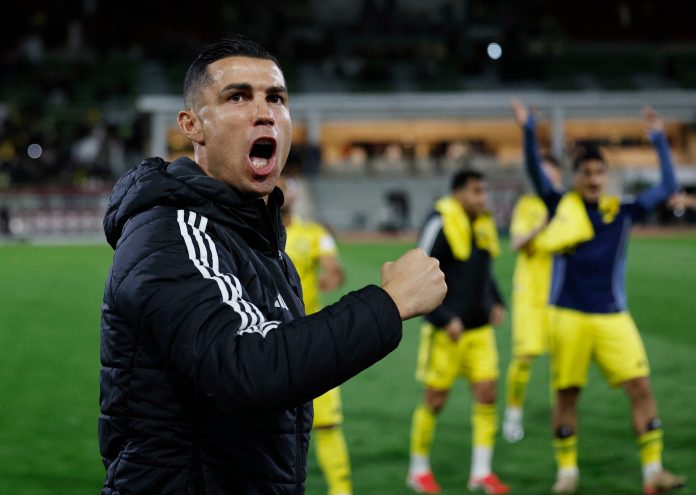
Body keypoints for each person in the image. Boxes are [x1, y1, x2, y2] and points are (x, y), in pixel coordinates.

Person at [99, 35, 447, 495]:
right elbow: (248, 368)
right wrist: (389, 303)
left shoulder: (258, 240)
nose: (264, 112)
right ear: (192, 125)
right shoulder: (171, 232)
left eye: (276, 98)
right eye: (237, 97)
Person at [516, 100, 686, 495]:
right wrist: (528, 131)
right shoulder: (560, 205)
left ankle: (653, 471)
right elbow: (534, 171)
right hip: (568, 315)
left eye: (599, 172)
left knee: (640, 386)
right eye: (586, 172)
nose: (593, 179)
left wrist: (659, 138)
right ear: (574, 176)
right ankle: (567, 472)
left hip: (613, 315)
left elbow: (666, 187)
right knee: (567, 394)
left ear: (606, 176)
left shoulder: (622, 211)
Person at [407, 170, 509, 495]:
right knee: (435, 400)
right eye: (477, 192)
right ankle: (417, 470)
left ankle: (481, 472)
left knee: (487, 394)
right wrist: (443, 317)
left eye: (484, 192)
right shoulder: (440, 222)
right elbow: (418, 272)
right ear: (458, 193)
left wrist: (496, 301)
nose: (483, 199)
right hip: (446, 333)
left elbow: (483, 270)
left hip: (480, 331)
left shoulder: (482, 223)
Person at [279, 177, 352, 495]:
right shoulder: (250, 233)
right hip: (268, 341)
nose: (284, 191)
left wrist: (332, 275)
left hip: (310, 339)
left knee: (328, 423)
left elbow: (334, 267)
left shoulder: (314, 234)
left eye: (289, 187)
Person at [502, 136, 564, 443]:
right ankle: (513, 413)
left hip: (560, 294)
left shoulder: (568, 205)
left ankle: (561, 415)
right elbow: (515, 243)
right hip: (529, 293)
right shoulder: (528, 205)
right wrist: (542, 225)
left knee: (562, 361)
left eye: (551, 176)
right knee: (524, 358)